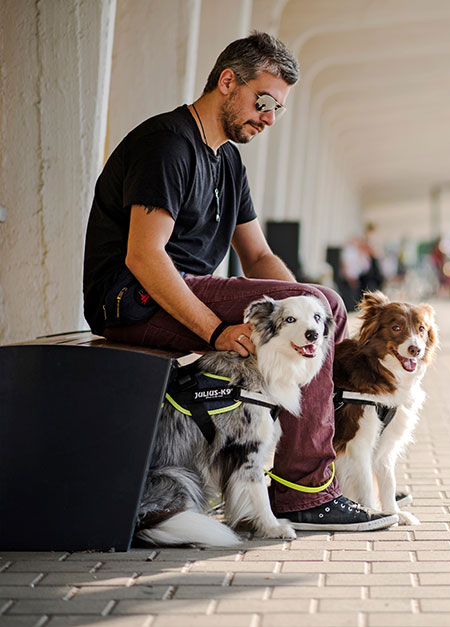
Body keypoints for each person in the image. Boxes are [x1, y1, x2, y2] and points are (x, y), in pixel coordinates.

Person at [82, 32, 397, 531]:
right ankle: (304, 493)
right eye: (263, 101)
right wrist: (213, 331)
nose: (269, 117)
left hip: (183, 287)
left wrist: (305, 307)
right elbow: (144, 256)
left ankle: (326, 463)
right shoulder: (167, 144)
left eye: (278, 109)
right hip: (133, 298)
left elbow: (260, 255)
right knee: (319, 304)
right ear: (228, 81)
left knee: (325, 305)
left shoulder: (226, 159)